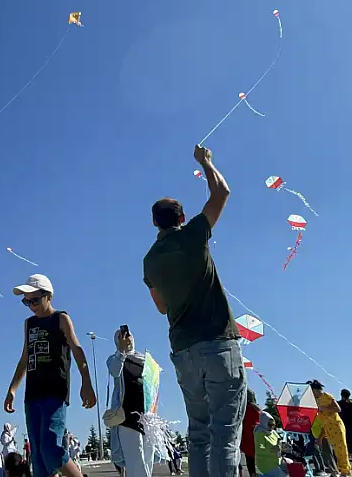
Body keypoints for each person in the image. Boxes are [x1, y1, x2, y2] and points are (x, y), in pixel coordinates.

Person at [144, 146, 246, 477]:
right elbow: (222, 192)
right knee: (225, 435)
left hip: (183, 350)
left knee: (199, 433)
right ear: (183, 219)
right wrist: (207, 162)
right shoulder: (193, 235)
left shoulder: (149, 260)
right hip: (218, 343)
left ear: (154, 223)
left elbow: (161, 307)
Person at [3, 274, 96, 477]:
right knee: (38, 458)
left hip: (55, 393)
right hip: (32, 395)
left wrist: (86, 382)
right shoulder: (29, 324)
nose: (31, 305)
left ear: (48, 296)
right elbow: (24, 358)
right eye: (26, 301)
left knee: (52, 449)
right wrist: (12, 388)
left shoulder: (61, 319)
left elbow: (77, 349)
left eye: (35, 300)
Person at [106, 328, 152, 477]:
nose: (127, 338)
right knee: (135, 458)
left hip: (147, 416)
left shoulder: (144, 359)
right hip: (126, 416)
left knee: (147, 457)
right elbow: (115, 371)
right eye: (121, 337)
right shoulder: (114, 359)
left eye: (129, 335)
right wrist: (121, 351)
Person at [308, 381, 350, 477]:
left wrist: (324, 409)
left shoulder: (326, 396)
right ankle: (337, 471)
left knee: (341, 448)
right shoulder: (316, 400)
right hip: (327, 427)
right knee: (334, 449)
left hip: (336, 424)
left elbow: (338, 409)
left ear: (316, 389)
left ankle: (345, 471)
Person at [239, 391, 261, 477]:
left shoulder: (244, 409)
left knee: (249, 461)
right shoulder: (258, 409)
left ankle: (252, 474)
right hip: (257, 436)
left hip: (247, 437)